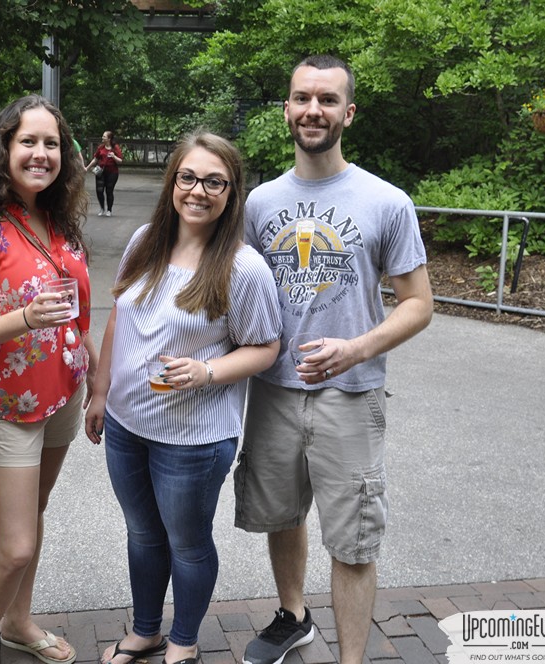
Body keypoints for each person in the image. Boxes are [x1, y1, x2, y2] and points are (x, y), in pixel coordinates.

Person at [236, 55, 434, 664]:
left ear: (348, 112)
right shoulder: (259, 204)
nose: (312, 111)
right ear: (287, 109)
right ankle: (292, 617)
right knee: (281, 513)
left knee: (353, 540)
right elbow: (235, 292)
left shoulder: (386, 201)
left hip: (350, 395)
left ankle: (351, 659)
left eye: (326, 100)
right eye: (302, 99)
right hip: (272, 390)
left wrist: (355, 350)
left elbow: (418, 304)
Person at [84, 131, 282, 664]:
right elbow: (121, 316)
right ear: (173, 181)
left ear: (231, 192)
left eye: (214, 181)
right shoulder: (146, 239)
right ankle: (146, 631)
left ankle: (184, 642)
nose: (198, 190)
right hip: (127, 426)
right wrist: (100, 390)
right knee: (143, 535)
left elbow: (265, 347)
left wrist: (209, 370)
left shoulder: (244, 268)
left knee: (188, 544)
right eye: (188, 177)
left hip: (192, 440)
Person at [0, 95, 96, 664]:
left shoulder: (56, 219)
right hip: (8, 401)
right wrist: (25, 318)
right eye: (27, 141)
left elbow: (78, 317)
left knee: (34, 516)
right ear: (4, 147)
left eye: (51, 143)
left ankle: (18, 623)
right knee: (16, 545)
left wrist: (95, 379)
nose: (40, 153)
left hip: (64, 391)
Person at [85, 130, 123, 217]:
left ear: (109, 139)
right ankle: (102, 208)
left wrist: (114, 156)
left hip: (112, 173)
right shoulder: (101, 148)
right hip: (100, 172)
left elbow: (120, 161)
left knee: (109, 191)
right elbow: (95, 159)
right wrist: (87, 168)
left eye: (104, 136)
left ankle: (109, 210)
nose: (102, 138)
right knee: (99, 190)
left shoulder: (115, 147)